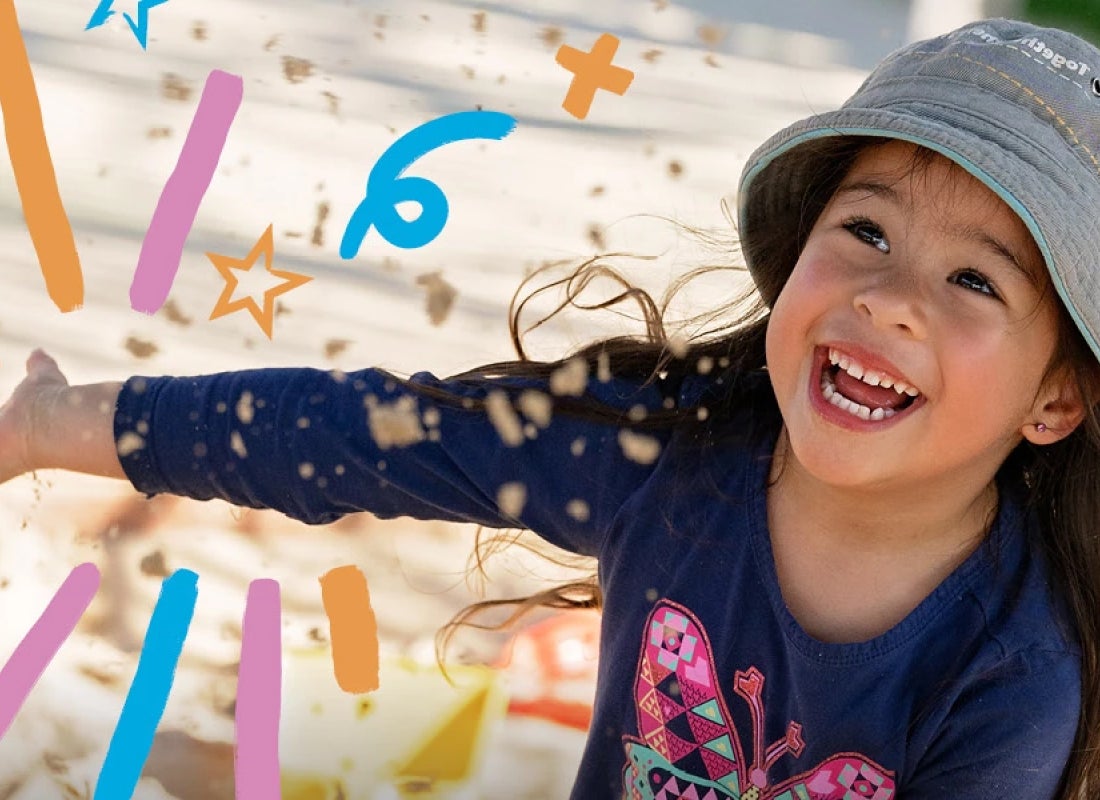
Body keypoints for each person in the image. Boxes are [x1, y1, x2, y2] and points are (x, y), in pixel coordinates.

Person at [1, 16, 1099, 800]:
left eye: (974, 281)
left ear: (1054, 399)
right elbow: (360, 435)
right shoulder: (659, 452)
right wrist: (52, 423)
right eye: (864, 231)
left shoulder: (1016, 671)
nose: (887, 300)